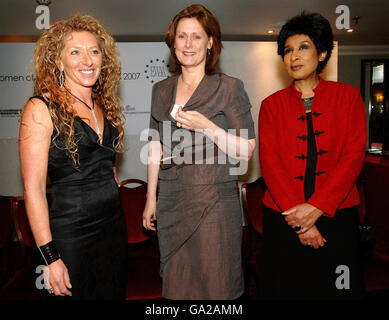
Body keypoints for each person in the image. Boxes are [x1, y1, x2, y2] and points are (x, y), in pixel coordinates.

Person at [142, 4, 256, 300]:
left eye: (196, 36)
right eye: (181, 37)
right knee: (177, 287)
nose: (188, 44)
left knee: (216, 286)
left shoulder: (229, 88)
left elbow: (246, 150)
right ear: (173, 43)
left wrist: (208, 127)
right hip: (170, 200)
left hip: (214, 202)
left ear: (210, 43)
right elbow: (155, 145)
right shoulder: (160, 90)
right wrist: (149, 198)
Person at [258, 12, 367, 299]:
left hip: (337, 214)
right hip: (283, 216)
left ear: (321, 53)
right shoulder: (270, 105)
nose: (294, 56)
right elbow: (270, 165)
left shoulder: (349, 97)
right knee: (287, 288)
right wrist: (299, 221)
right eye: (288, 51)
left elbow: (353, 157)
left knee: (336, 287)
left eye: (303, 47)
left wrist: (317, 208)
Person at [19, 15, 127, 299]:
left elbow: (108, 167)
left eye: (94, 51)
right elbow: (33, 191)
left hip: (114, 228)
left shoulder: (106, 105)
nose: (87, 60)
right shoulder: (41, 108)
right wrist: (51, 258)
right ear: (58, 61)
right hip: (71, 235)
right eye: (75, 52)